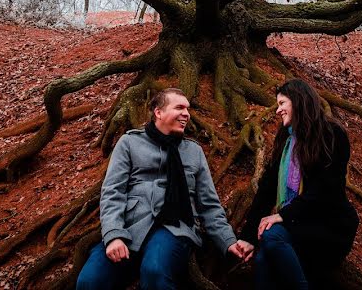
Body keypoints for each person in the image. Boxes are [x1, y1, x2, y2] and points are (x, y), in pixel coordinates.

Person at [76, 88, 253, 290]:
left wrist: (228, 241)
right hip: (130, 227)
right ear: (158, 112)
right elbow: (112, 193)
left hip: (175, 229)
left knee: (155, 271)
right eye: (179, 107)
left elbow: (209, 204)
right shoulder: (130, 143)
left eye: (187, 108)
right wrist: (114, 234)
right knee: (89, 281)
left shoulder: (193, 151)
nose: (186, 113)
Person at [239, 78, 359, 290]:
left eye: (282, 103)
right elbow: (267, 187)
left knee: (271, 236)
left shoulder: (332, 134)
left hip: (328, 226)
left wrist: (283, 215)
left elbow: (326, 189)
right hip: (298, 223)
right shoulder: (287, 139)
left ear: (298, 100)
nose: (278, 110)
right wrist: (248, 237)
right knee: (262, 259)